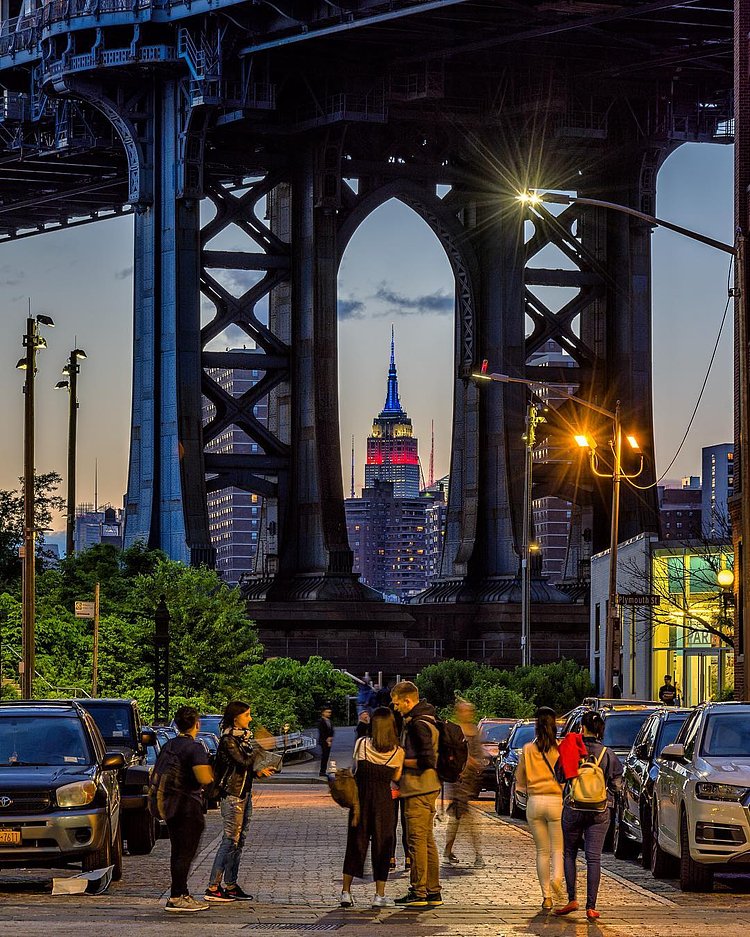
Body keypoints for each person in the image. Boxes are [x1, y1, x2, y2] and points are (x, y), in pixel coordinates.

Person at [555, 711, 623, 922]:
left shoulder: (572, 749)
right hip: (599, 810)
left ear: (582, 727)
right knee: (594, 858)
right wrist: (607, 802)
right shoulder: (608, 754)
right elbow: (617, 785)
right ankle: (591, 906)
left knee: (569, 853)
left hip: (574, 808)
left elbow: (559, 776)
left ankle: (572, 898)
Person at [205, 701, 276, 903]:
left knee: (239, 841)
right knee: (229, 840)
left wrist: (259, 771)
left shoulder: (242, 739)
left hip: (244, 793)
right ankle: (213, 886)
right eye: (247, 715)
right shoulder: (229, 740)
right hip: (232, 795)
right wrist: (259, 747)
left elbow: (245, 768)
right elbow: (243, 762)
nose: (250, 719)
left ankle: (231, 884)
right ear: (236, 718)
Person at [340, 707, 405, 908]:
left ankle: (346, 892)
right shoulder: (398, 752)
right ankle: (379, 895)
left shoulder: (362, 744)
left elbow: (355, 769)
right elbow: (395, 778)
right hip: (383, 801)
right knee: (382, 845)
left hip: (360, 799)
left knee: (355, 844)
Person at [390, 680, 442, 908]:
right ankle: (432, 891)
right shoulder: (428, 719)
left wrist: (400, 760)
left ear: (408, 700)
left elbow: (427, 760)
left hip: (418, 788)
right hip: (428, 787)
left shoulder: (417, 725)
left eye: (397, 703)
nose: (395, 708)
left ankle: (419, 891)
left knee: (417, 841)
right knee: (427, 841)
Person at [160, 706, 213, 912]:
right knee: (186, 853)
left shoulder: (168, 745)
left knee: (177, 851)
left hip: (170, 806)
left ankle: (180, 892)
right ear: (196, 724)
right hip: (189, 806)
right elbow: (204, 778)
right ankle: (177, 895)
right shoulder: (195, 748)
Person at [515, 707, 564, 911]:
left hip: (535, 801)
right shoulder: (560, 748)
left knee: (541, 851)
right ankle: (557, 879)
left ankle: (546, 896)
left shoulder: (527, 749)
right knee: (558, 849)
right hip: (556, 801)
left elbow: (520, 779)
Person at [443, 700, 484, 869]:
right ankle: (477, 854)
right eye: (464, 711)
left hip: (470, 780)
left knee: (459, 817)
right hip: (459, 779)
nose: (468, 714)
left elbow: (479, 753)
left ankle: (448, 851)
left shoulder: (474, 731)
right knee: (464, 817)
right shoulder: (455, 731)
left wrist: (476, 763)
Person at [317, 705, 335, 777]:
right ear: (323, 713)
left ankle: (323, 771)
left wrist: (331, 737)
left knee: (326, 756)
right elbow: (322, 732)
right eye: (327, 712)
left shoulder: (329, 721)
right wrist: (327, 739)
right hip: (323, 741)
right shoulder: (321, 721)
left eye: (330, 712)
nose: (329, 714)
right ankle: (322, 771)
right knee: (324, 756)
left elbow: (332, 730)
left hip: (329, 740)